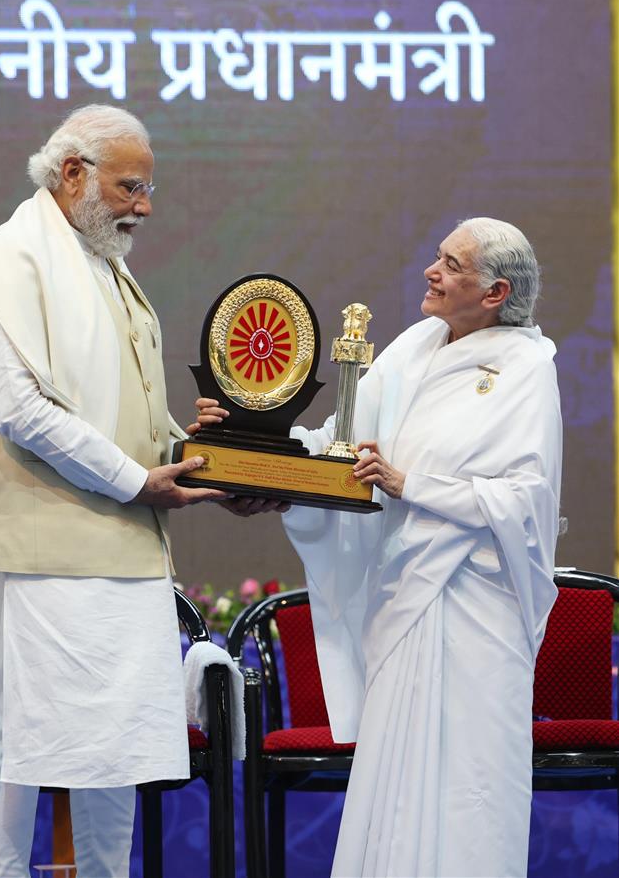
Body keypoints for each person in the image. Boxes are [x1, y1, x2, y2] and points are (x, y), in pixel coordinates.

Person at [197, 217, 562, 877]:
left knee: (468, 792)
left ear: (494, 292)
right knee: (395, 786)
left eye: (451, 264)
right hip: (404, 602)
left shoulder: (529, 369)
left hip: (476, 612)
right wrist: (251, 454)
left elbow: (523, 500)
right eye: (437, 256)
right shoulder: (417, 345)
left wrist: (410, 483)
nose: (432, 270)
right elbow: (342, 442)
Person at [0, 104, 231, 878]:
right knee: (13, 756)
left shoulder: (106, 265)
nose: (146, 206)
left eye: (149, 188)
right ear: (72, 174)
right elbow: (21, 411)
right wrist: (139, 481)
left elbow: (125, 414)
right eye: (132, 187)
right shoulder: (8, 261)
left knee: (117, 757)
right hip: (33, 563)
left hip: (126, 560)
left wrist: (205, 458)